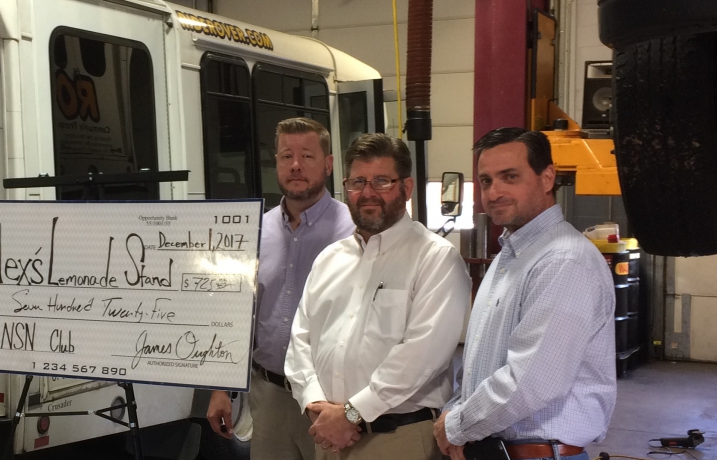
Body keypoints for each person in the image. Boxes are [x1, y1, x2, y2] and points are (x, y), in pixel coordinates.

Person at [284, 133, 470, 460]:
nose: (368, 193)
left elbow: (421, 357)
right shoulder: (330, 258)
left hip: (397, 439)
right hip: (328, 436)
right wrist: (313, 402)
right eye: (358, 182)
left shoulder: (435, 259)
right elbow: (301, 338)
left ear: (407, 188)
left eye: (382, 181)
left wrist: (351, 414)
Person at [434, 127, 616, 460]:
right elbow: (479, 365)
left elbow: (533, 382)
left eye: (510, 177)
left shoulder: (563, 260)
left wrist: (457, 424)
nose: (494, 192)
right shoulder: (510, 257)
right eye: (486, 180)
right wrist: (455, 411)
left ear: (547, 178)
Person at [205, 117, 355, 460]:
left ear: (328, 164)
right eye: (287, 156)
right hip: (268, 395)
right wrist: (220, 386)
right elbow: (235, 311)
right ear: (276, 162)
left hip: (330, 400)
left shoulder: (353, 231)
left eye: (307, 156)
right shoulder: (254, 231)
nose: (296, 165)